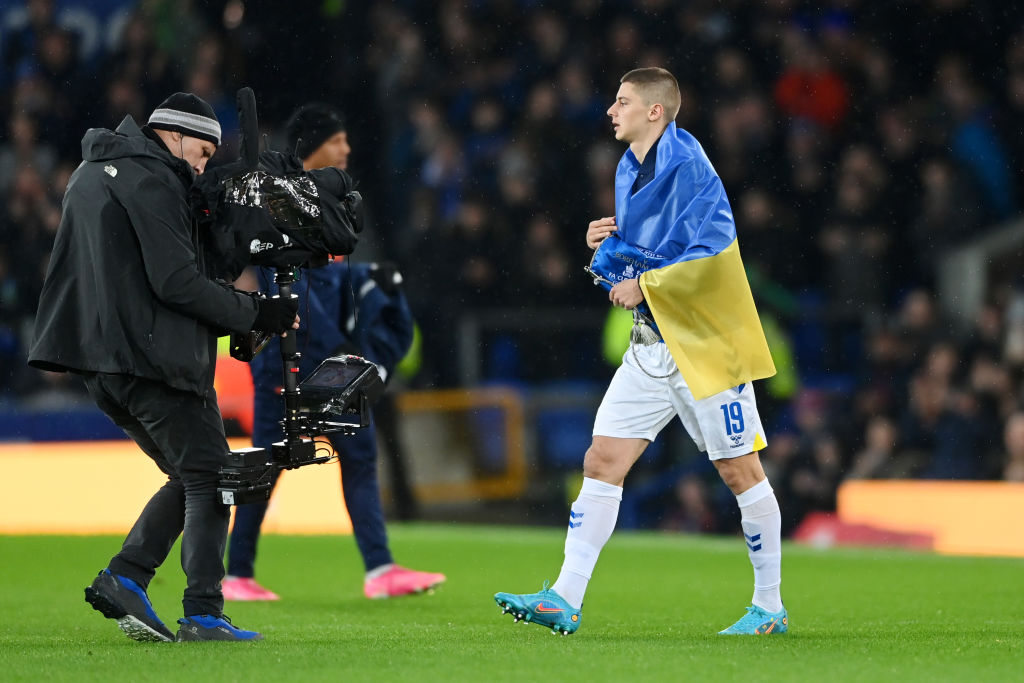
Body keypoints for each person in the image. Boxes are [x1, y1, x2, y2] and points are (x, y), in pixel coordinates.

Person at [494, 68, 787, 636]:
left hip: (704, 344)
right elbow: (652, 250)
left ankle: (769, 607)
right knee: (602, 460)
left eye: (623, 100)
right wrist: (606, 246)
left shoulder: (690, 167)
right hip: (651, 344)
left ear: (656, 111)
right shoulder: (630, 168)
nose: (611, 109)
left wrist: (647, 285)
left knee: (739, 470)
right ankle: (564, 596)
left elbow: (711, 253)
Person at [28, 93, 300, 642]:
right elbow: (175, 281)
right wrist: (256, 310)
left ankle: (127, 578)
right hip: (153, 359)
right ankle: (202, 612)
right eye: (201, 153)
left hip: (101, 362)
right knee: (212, 476)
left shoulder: (92, 172)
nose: (201, 168)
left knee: (193, 472)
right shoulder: (150, 180)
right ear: (173, 135)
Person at [223, 103, 445, 601]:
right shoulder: (284, 200)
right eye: (339, 140)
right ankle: (235, 573)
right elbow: (292, 287)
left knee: (358, 454)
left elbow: (321, 282)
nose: (347, 149)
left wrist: (369, 278)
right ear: (316, 146)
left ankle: (379, 569)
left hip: (319, 354)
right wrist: (341, 348)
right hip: (287, 356)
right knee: (269, 461)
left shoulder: (319, 198)